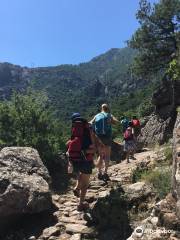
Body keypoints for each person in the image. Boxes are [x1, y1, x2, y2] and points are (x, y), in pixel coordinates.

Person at [67, 113, 103, 211]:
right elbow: (93, 141)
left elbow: (69, 143)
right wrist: (97, 150)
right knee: (86, 183)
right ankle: (80, 203)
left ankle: (77, 187)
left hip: (75, 159)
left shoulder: (74, 130)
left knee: (80, 174)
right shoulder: (88, 128)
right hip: (86, 159)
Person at [90, 104, 119, 181]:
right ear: (107, 108)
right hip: (107, 137)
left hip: (99, 138)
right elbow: (117, 122)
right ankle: (105, 172)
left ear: (101, 108)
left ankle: (99, 172)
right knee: (107, 155)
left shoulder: (97, 115)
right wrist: (111, 121)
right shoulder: (109, 115)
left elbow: (90, 123)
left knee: (100, 155)